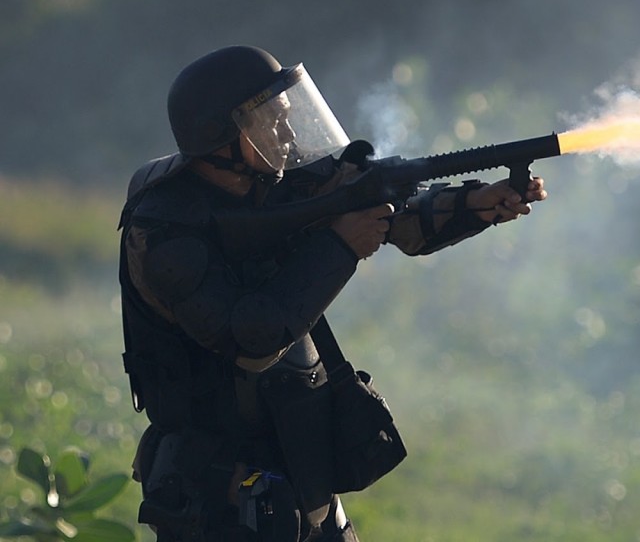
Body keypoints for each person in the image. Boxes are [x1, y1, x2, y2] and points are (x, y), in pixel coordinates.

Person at [118, 45, 547, 542]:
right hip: (220, 491)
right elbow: (252, 339)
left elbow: (388, 210)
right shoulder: (164, 231)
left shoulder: (276, 181)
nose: (288, 134)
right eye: (269, 123)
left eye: (286, 117)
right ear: (220, 136)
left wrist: (475, 203)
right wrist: (342, 246)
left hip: (301, 470)